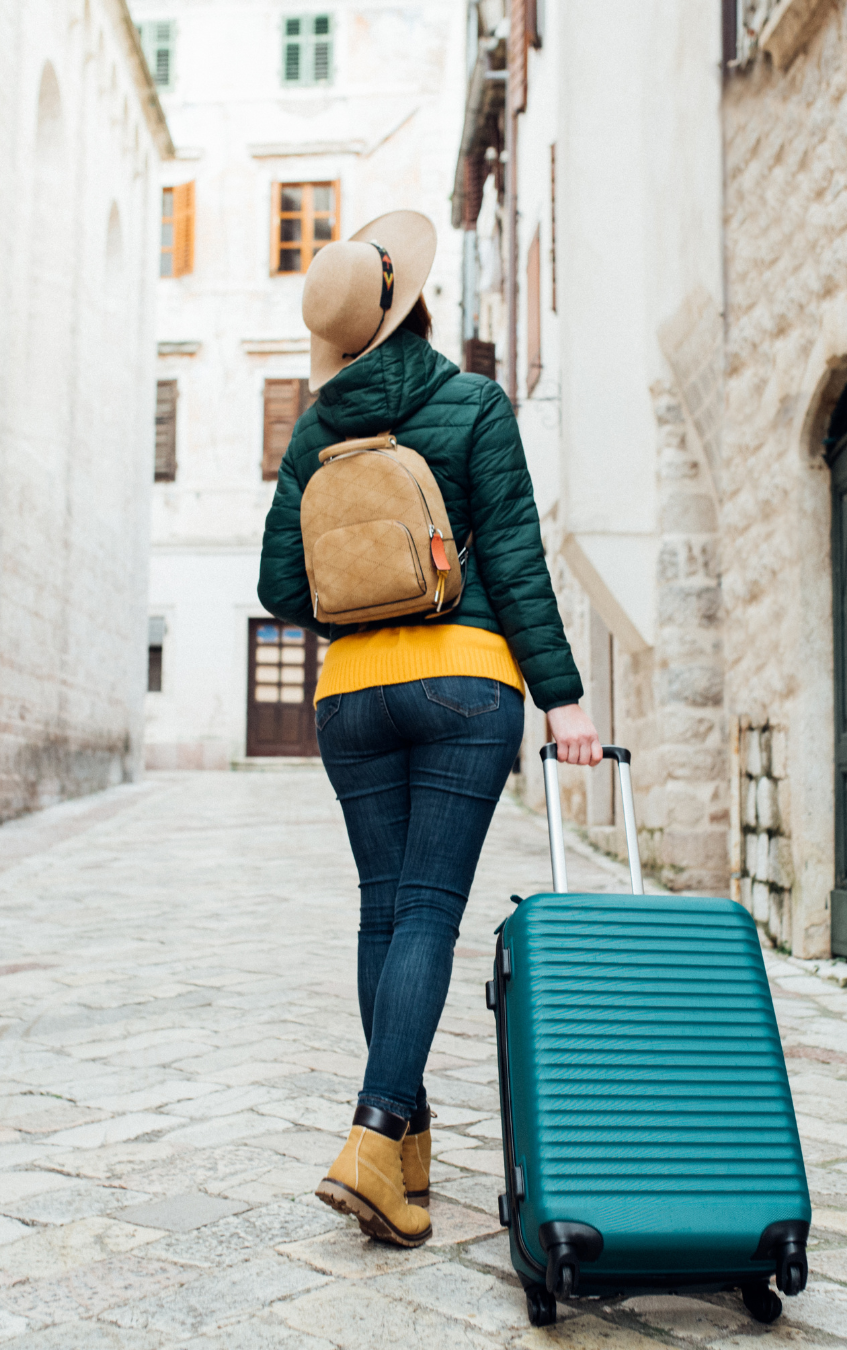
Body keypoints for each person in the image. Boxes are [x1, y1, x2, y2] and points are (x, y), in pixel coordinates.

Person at [257, 209, 601, 1248]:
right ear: (414, 309)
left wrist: (364, 594)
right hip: (463, 684)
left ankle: (403, 1152)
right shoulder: (474, 405)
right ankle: (373, 1134)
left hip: (351, 698)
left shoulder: (315, 434)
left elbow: (280, 587)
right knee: (428, 916)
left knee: (382, 912)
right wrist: (565, 699)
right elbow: (515, 564)